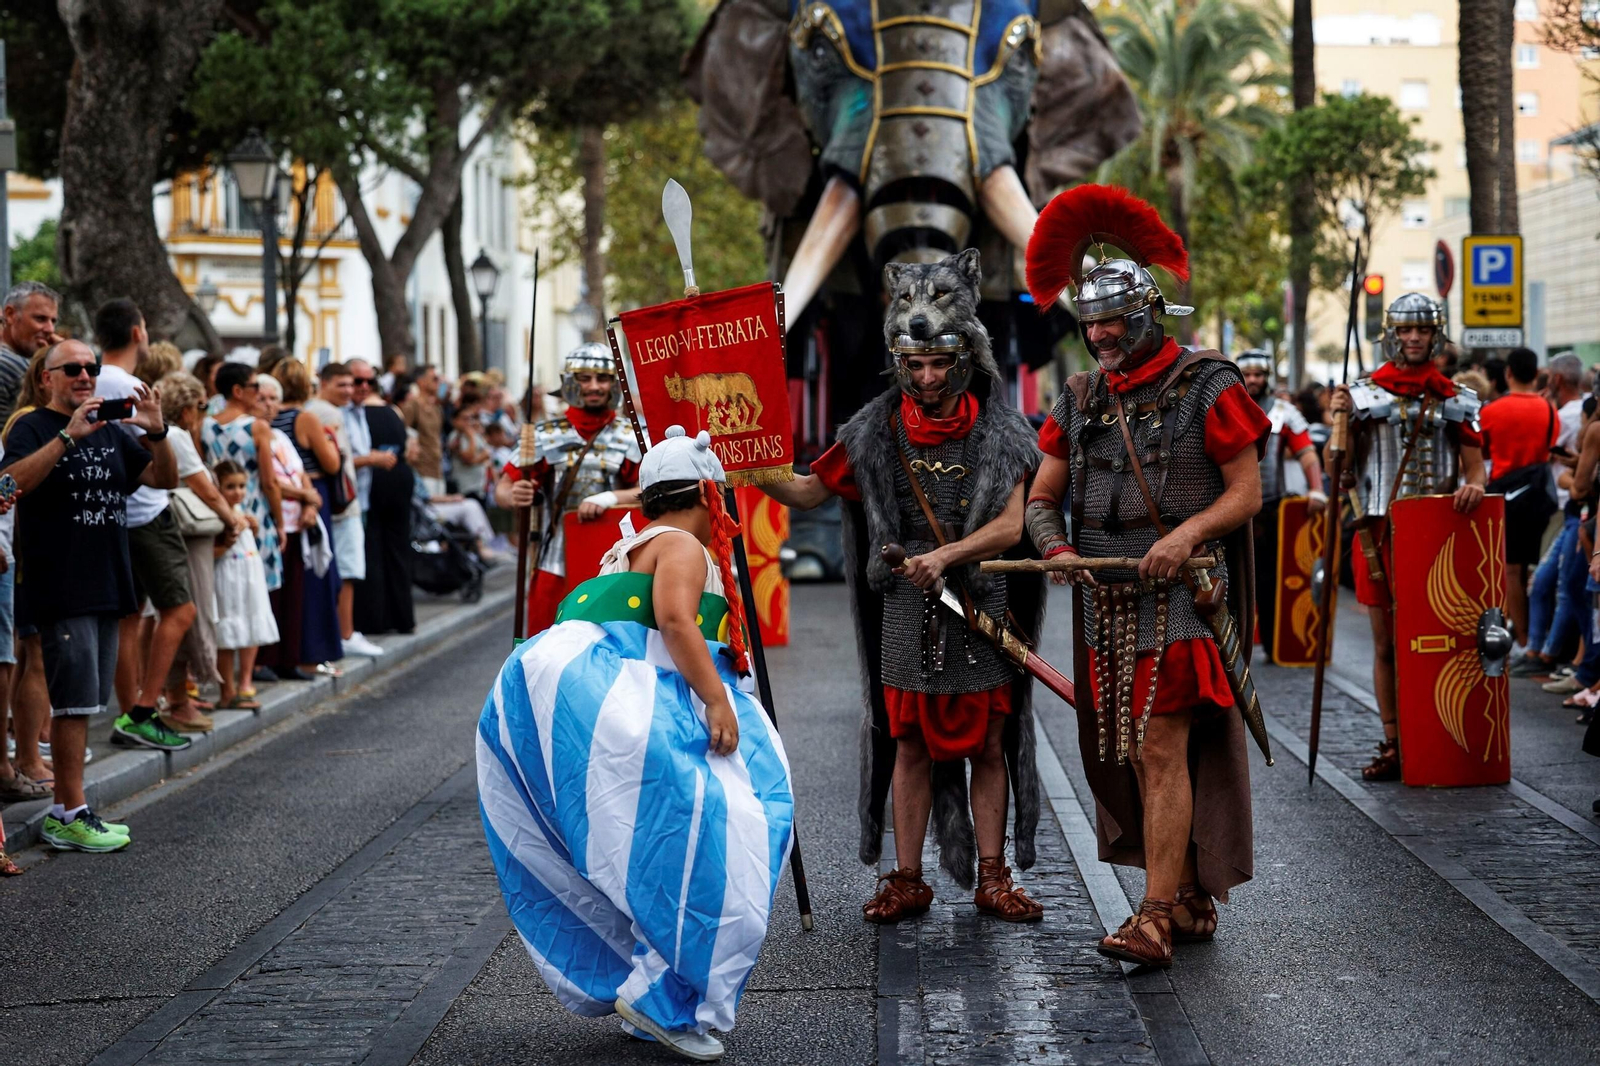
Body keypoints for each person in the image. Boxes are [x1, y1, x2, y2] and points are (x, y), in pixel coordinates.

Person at [478, 425, 793, 1063]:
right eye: (722, 498)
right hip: (642, 706)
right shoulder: (678, 543)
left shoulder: (635, 541)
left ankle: (654, 987)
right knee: (730, 833)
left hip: (606, 704)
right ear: (708, 496)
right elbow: (676, 621)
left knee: (655, 848)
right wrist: (713, 698)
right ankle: (664, 998)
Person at [762, 248, 1044, 925]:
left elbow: (1009, 528)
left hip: (978, 605)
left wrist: (947, 556)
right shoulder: (872, 431)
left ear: (965, 356)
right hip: (905, 613)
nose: (926, 377)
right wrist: (748, 457)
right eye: (913, 365)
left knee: (987, 747)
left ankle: (992, 878)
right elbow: (804, 491)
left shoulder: (1002, 429)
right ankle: (909, 877)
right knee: (909, 746)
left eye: (939, 363)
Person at [1023, 184, 1267, 967]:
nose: (1100, 336)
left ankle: (1155, 914)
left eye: (1113, 322)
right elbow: (1042, 495)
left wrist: (1187, 534)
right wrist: (1056, 549)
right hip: (1105, 601)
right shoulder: (1082, 396)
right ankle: (1190, 894)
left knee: (1160, 748)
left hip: (1181, 599)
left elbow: (1247, 491)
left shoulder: (1208, 384)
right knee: (1130, 751)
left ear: (1147, 316)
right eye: (1090, 324)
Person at [1, 339, 180, 852]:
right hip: (61, 584)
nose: (85, 375)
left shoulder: (110, 428)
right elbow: (6, 487)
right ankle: (68, 813)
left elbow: (163, 478)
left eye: (92, 368)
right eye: (73, 368)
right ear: (45, 378)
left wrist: (157, 430)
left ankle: (71, 807)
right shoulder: (33, 426)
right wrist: (67, 436)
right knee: (73, 705)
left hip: (106, 580)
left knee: (85, 704)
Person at [1329, 293, 1486, 782]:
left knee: (1440, 642)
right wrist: (1338, 419)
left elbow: (1477, 473)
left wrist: (1473, 488)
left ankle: (1437, 733)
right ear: (1391, 335)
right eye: (1404, 330)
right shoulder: (1363, 396)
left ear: (1435, 335)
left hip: (1436, 539)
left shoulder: (1458, 399)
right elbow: (1340, 470)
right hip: (1377, 534)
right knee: (1384, 646)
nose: (1413, 338)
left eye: (1421, 330)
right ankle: (1395, 741)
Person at [93, 299, 203, 740]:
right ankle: (141, 711)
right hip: (146, 515)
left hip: (116, 514)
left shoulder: (92, 379)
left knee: (130, 618)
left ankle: (131, 713)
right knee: (181, 609)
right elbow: (162, 473)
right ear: (138, 332)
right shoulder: (130, 386)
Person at [494, 343, 643, 637]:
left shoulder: (633, 436)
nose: (594, 386)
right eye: (584, 378)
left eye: (602, 379)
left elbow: (649, 492)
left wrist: (611, 497)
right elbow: (504, 487)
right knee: (544, 648)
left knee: (614, 649)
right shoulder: (543, 435)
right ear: (570, 383)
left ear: (615, 384)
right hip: (555, 561)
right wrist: (514, 496)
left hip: (615, 561)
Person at [156, 371, 245, 726]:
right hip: (179, 537)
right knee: (185, 611)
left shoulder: (170, 435)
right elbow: (205, 488)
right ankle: (173, 697)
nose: (203, 413)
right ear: (188, 408)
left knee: (168, 615)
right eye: (201, 405)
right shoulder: (176, 435)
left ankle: (171, 694)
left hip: (170, 535)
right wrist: (231, 519)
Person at [1236, 350, 1324, 662]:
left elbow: (1307, 453)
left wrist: (1316, 489)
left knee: (1273, 583)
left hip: (1273, 512)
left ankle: (1275, 647)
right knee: (1233, 582)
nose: (1254, 380)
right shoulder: (1226, 406)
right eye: (1248, 374)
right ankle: (1233, 652)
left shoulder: (1285, 412)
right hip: (1232, 510)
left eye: (1259, 374)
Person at [1478, 348, 1559, 658]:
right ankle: (1536, 637)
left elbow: (1482, 454)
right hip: (1539, 496)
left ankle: (1522, 638)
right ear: (1535, 372)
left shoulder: (1492, 411)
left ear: (1508, 374)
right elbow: (1550, 450)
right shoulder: (1548, 409)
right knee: (1533, 568)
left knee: (1511, 570)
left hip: (1505, 495)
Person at [265, 365, 343, 678]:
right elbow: (331, 463)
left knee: (294, 581)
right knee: (314, 580)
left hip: (293, 495)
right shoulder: (304, 418)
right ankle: (310, 653)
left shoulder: (273, 423)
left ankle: (292, 653)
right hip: (308, 493)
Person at [307, 362, 383, 658]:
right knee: (348, 571)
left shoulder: (320, 410)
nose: (350, 390)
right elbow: (336, 462)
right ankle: (345, 633)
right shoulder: (327, 413)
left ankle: (338, 632)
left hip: (336, 502)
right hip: (343, 503)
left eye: (352, 384)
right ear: (323, 383)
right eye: (342, 384)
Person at [211, 460, 280, 709]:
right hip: (228, 575)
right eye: (230, 487)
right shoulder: (214, 513)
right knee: (229, 631)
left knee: (253, 622)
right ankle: (227, 689)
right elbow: (210, 553)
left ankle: (246, 682)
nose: (238, 492)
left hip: (249, 574)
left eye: (241, 486)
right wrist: (227, 542)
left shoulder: (241, 509)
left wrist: (253, 526)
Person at [354, 372, 415, 635]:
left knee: (373, 548)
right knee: (397, 549)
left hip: (374, 481)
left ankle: (375, 619)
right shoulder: (393, 412)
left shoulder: (358, 414)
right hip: (399, 479)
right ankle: (402, 617)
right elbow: (409, 448)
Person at [0, 282, 61, 427]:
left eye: (53, 321)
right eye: (40, 319)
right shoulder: (10, 365)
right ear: (10, 315)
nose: (50, 329)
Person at [402, 363, 445, 497]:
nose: (438, 382)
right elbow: (404, 434)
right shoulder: (412, 406)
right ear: (421, 381)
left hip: (437, 469)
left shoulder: (436, 407)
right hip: (421, 470)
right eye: (434, 379)